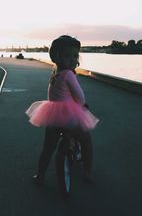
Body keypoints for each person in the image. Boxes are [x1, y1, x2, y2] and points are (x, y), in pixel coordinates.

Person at [25, 35, 99, 185]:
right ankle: (88, 172)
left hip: (52, 115)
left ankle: (40, 176)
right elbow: (80, 97)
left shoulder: (55, 73)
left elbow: (58, 95)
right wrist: (81, 105)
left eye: (75, 56)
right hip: (68, 117)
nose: (73, 59)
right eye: (68, 56)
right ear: (57, 57)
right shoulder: (68, 75)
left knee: (48, 148)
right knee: (86, 140)